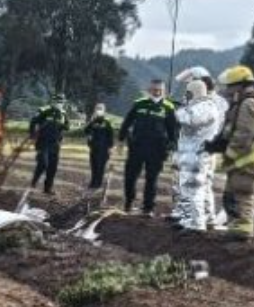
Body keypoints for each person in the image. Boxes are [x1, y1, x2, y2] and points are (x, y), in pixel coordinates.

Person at [207, 65, 254, 240]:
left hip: (247, 158)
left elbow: (244, 133)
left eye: (230, 86)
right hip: (241, 157)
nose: (227, 90)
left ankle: (243, 231)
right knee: (231, 195)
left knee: (242, 193)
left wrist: (230, 154)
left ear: (240, 85)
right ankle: (236, 228)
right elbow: (231, 130)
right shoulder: (241, 101)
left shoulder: (249, 103)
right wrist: (217, 145)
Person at [118, 79, 178, 216]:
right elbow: (127, 122)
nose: (157, 92)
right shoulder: (139, 104)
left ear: (164, 91)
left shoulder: (169, 107)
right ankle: (128, 203)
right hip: (137, 146)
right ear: (149, 90)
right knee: (130, 176)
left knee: (152, 179)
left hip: (157, 150)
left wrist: (172, 146)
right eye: (154, 90)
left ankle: (148, 208)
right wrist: (121, 139)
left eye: (160, 90)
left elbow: (173, 130)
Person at [172, 79, 223, 232]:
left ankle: (196, 223)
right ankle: (199, 220)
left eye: (188, 93)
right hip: (194, 153)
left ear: (194, 92)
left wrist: (179, 110)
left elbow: (190, 120)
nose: (186, 96)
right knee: (197, 188)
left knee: (193, 188)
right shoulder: (201, 106)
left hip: (197, 153)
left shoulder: (205, 107)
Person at [28, 94, 69, 195]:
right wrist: (32, 136)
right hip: (43, 142)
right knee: (43, 163)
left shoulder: (63, 114)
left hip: (55, 143)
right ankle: (33, 183)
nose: (60, 104)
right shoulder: (44, 110)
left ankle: (48, 188)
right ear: (53, 101)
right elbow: (33, 122)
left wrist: (62, 129)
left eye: (62, 102)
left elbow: (67, 127)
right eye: (58, 101)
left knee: (52, 167)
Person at [83, 104, 115, 191]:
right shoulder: (93, 121)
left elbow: (111, 135)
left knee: (100, 166)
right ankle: (93, 182)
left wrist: (110, 148)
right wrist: (91, 122)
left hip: (104, 148)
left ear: (104, 111)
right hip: (94, 148)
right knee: (94, 165)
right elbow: (85, 131)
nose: (99, 110)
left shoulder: (107, 122)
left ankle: (98, 183)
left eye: (100, 109)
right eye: (97, 109)